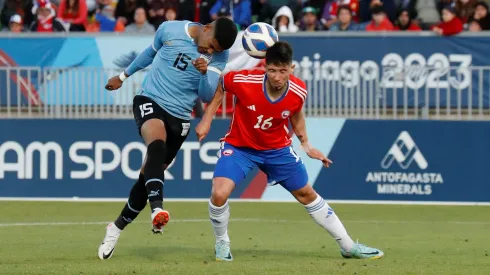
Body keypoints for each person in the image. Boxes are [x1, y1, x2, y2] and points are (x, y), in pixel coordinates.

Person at [195, 41, 384, 262]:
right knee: (219, 193)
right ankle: (221, 242)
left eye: (282, 71)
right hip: (240, 147)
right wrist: (206, 120)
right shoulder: (244, 80)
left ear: (291, 69)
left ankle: (348, 246)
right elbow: (221, 87)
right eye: (272, 70)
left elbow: (296, 114)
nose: (276, 76)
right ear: (265, 68)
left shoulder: (299, 90)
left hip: (277, 150)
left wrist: (306, 144)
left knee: (307, 194)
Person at [97, 18, 238, 260]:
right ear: (206, 29)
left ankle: (116, 227)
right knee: (156, 143)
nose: (210, 50)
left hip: (180, 117)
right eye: (211, 44)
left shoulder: (218, 57)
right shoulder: (170, 29)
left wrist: (204, 72)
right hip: (151, 99)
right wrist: (122, 76)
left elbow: (205, 95)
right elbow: (149, 54)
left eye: (216, 50)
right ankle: (157, 209)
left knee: (148, 175)